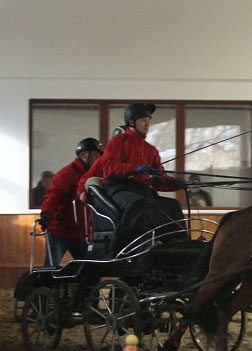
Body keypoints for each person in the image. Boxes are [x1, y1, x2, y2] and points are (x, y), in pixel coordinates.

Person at [77, 103, 186, 251]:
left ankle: (178, 245)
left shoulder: (151, 150)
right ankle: (124, 246)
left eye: (148, 120)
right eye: (143, 120)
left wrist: (175, 184)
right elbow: (109, 168)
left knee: (172, 205)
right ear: (131, 122)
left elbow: (158, 179)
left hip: (142, 190)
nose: (147, 124)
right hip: (118, 188)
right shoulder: (117, 142)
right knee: (138, 204)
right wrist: (135, 169)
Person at [38, 138, 103, 266]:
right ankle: (45, 285)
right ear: (84, 155)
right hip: (60, 229)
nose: (98, 159)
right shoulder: (67, 173)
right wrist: (46, 214)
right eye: (96, 155)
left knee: (90, 267)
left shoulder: (94, 175)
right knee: (51, 267)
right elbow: (53, 195)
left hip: (80, 231)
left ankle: (86, 286)